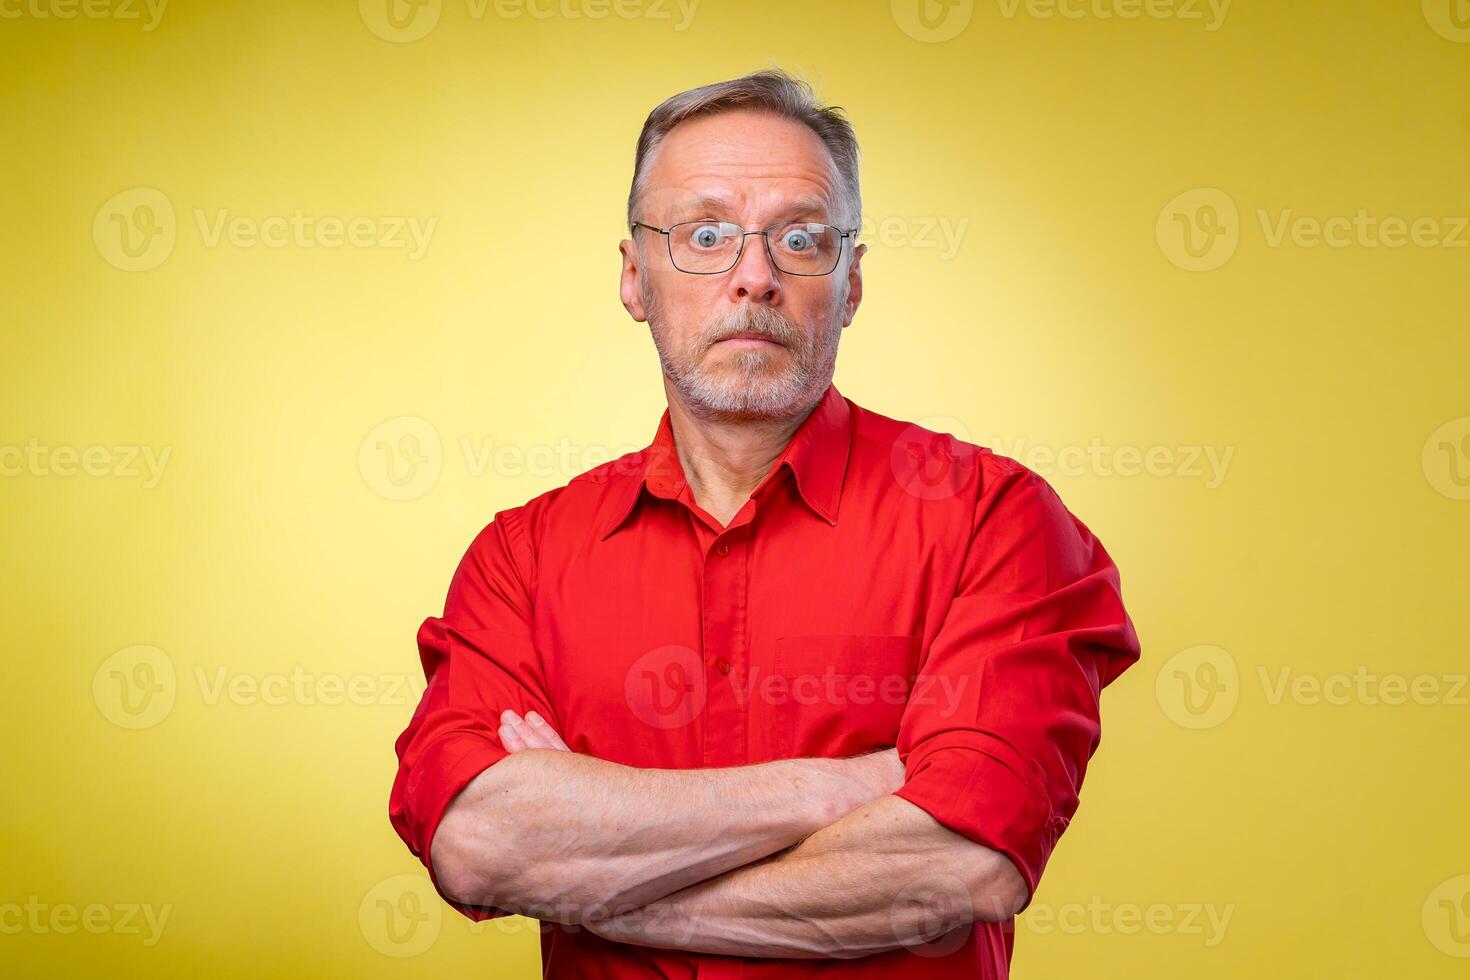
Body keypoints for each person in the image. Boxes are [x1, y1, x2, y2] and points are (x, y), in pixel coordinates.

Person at [389, 67, 1140, 978]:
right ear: (635, 278)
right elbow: (478, 845)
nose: (754, 277)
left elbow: (959, 866)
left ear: (852, 282)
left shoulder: (997, 522)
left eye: (800, 238)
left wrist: (591, 875)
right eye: (704, 235)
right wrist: (848, 785)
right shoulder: (524, 558)